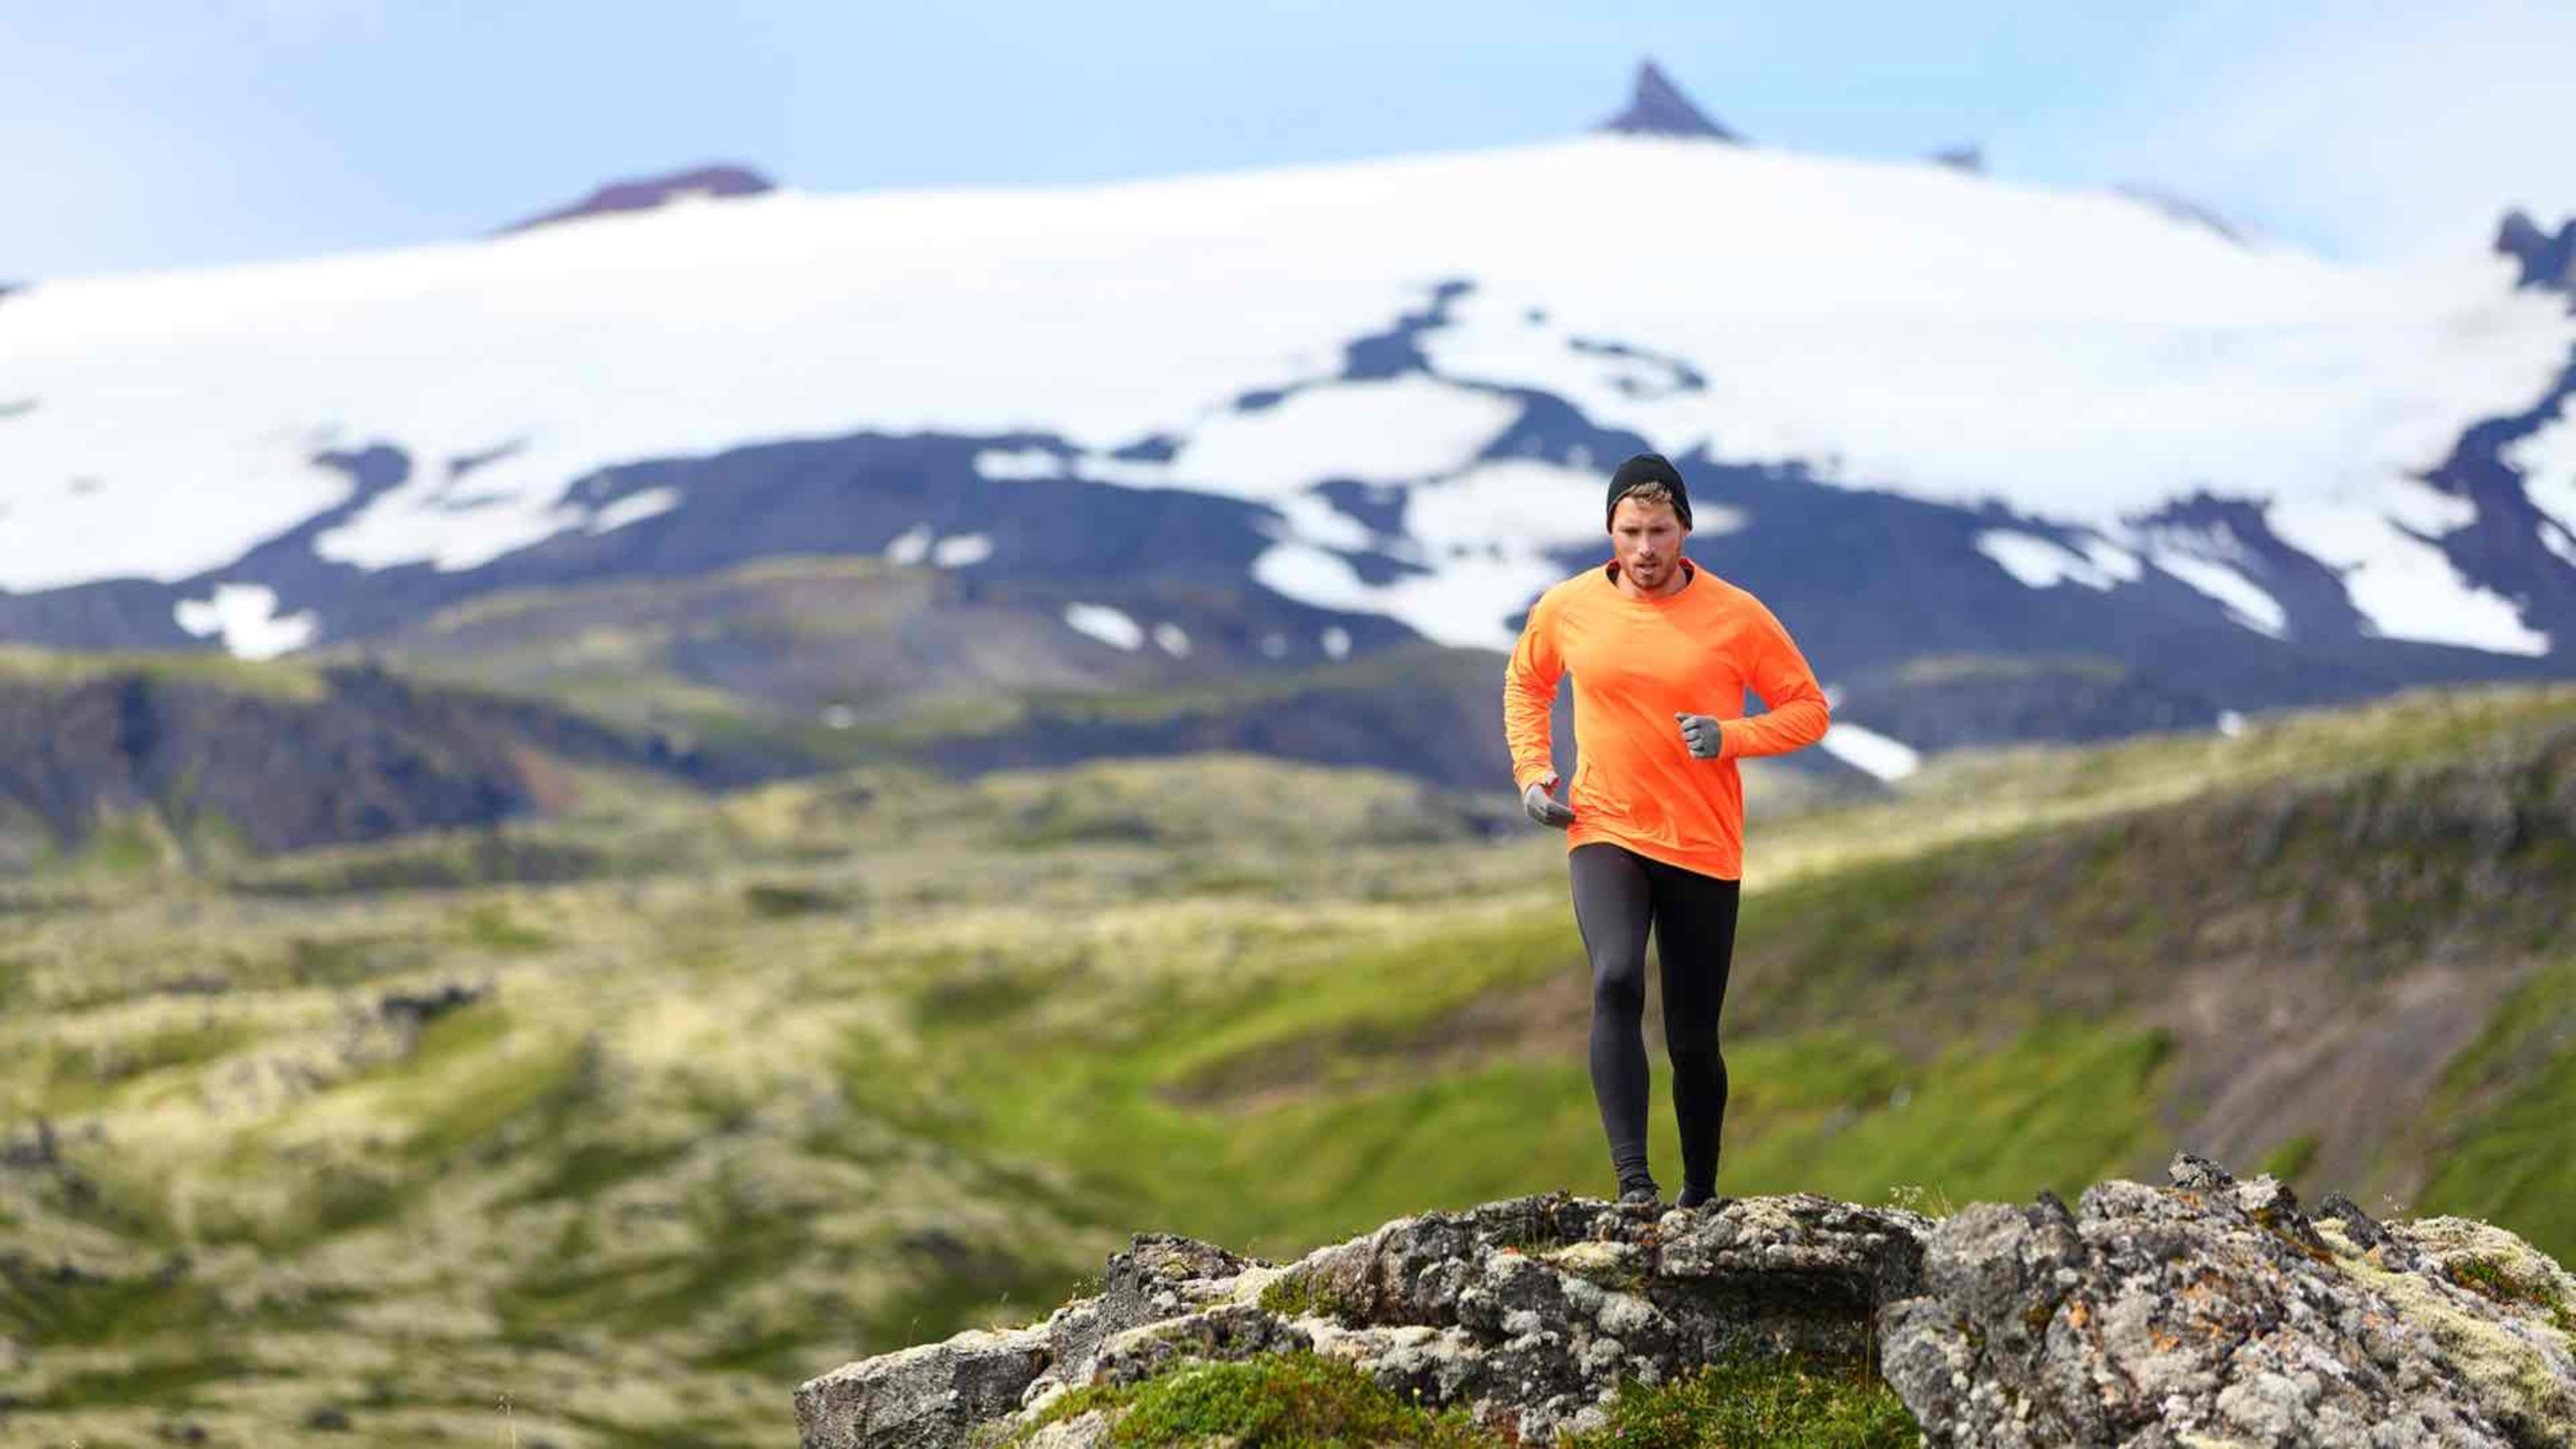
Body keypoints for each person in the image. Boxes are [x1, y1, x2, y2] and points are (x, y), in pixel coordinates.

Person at [1501, 451, 1831, 1211]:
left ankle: (1702, 1195)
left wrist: (1729, 735)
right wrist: (1532, 772)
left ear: (1685, 528)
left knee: (1692, 1035)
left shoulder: (1736, 615)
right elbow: (1528, 681)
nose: (1644, 549)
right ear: (1610, 531)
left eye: (1658, 530)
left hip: (1704, 843)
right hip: (1604, 827)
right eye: (1629, 531)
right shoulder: (1567, 607)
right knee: (1615, 980)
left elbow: (1808, 709)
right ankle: (1633, 1185)